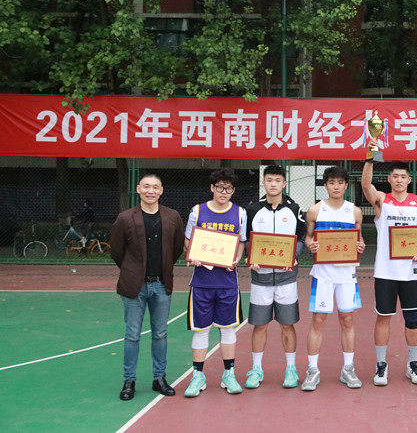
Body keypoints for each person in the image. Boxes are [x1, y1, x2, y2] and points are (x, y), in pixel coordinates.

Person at [110, 174, 185, 401]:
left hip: (161, 284)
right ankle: (129, 381)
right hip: (134, 286)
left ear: (161, 190)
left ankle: (159, 378)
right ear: (138, 189)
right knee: (132, 335)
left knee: (160, 333)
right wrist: (132, 270)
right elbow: (117, 251)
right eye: (146, 187)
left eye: (155, 187)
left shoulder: (172, 217)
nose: (150, 191)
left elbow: (177, 248)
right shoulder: (125, 218)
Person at [362, 154, 417, 386]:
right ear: (389, 179)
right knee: (383, 317)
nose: (399, 180)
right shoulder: (382, 200)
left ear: (409, 180)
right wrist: (370, 158)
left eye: (403, 177)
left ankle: (413, 364)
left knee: (412, 318)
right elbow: (365, 185)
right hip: (386, 271)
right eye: (395, 176)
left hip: (411, 271)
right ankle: (381, 365)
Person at [183, 168, 247, 397]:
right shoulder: (197, 211)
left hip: (227, 282)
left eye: (228, 188)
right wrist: (192, 255)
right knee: (201, 330)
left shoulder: (240, 213)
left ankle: (229, 374)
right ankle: (197, 376)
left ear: (233, 191)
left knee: (228, 328)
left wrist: (236, 258)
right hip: (202, 282)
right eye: (220, 187)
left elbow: (241, 241)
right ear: (212, 188)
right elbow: (188, 240)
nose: (223, 192)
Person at [302, 166, 367, 391]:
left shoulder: (354, 212)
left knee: (347, 319)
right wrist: (311, 245)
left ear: (346, 186)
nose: (336, 187)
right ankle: (312, 370)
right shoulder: (315, 210)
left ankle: (348, 368)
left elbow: (359, 240)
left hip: (346, 275)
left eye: (340, 183)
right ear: (325, 185)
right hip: (323, 274)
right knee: (318, 320)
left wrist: (360, 245)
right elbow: (308, 238)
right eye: (331, 183)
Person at [244, 164, 306, 389]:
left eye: (277, 180)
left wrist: (294, 255)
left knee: (287, 324)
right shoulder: (253, 209)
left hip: (286, 278)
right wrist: (250, 256)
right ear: (263, 182)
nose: (273, 184)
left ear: (284, 183)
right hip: (260, 279)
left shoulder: (294, 209)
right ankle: (256, 369)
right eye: (269, 180)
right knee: (259, 325)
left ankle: (291, 369)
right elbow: (247, 240)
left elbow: (300, 238)